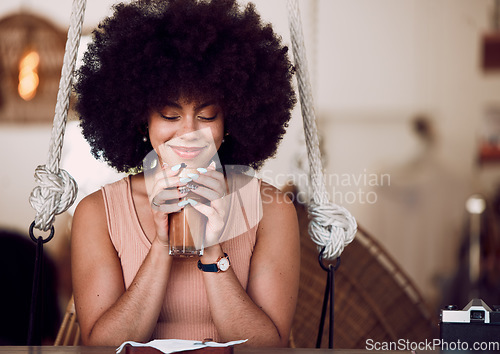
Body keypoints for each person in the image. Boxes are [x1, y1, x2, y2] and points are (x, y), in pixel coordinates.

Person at [71, 0, 300, 347]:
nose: (189, 132)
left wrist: (211, 249)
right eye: (169, 114)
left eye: (207, 116)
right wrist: (163, 244)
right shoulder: (97, 213)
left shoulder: (273, 210)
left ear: (230, 123)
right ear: (142, 120)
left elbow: (266, 348)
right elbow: (104, 347)